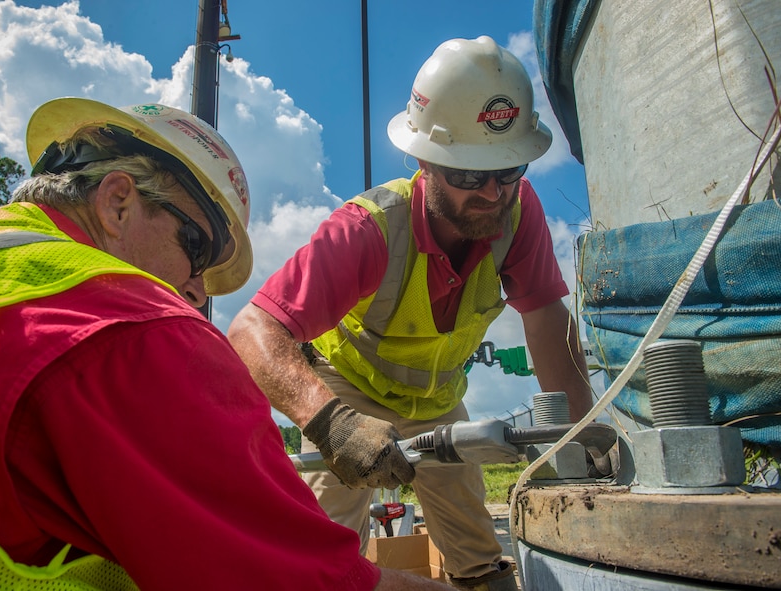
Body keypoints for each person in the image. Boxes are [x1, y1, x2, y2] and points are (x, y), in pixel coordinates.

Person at [0, 97, 452, 591]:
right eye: (197, 249)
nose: (196, 290)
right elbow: (311, 583)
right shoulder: (131, 327)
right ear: (118, 203)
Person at [228, 36, 593, 591]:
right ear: (427, 161)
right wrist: (331, 424)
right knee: (320, 553)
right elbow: (253, 330)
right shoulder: (367, 230)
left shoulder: (519, 214)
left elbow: (544, 319)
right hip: (348, 390)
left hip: (438, 400)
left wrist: (581, 442)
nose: (493, 193)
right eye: (470, 175)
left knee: (480, 560)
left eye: (508, 169)